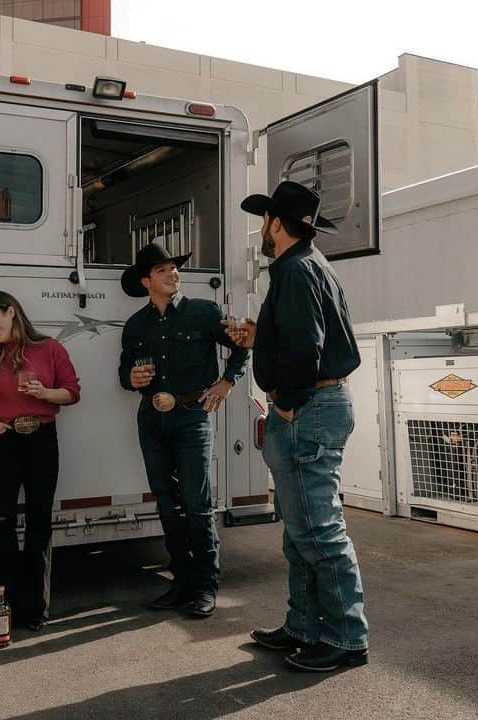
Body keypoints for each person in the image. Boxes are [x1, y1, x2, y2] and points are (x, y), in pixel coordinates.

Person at [230, 180, 369, 672]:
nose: (260, 229)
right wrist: (259, 335)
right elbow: (300, 336)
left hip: (308, 407)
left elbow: (306, 348)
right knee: (301, 530)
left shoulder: (294, 270)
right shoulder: (307, 266)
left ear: (277, 223)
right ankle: (305, 626)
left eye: (264, 219)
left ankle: (345, 637)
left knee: (319, 530)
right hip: (316, 402)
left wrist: (285, 403)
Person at [117, 243, 248, 618]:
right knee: (167, 504)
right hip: (151, 418)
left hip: (193, 417)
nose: (173, 273)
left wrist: (226, 382)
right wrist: (132, 377)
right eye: (162, 270)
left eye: (174, 268)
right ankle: (182, 583)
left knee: (197, 505)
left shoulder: (203, 312)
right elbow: (124, 374)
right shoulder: (135, 325)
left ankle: (206, 587)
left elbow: (241, 346)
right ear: (146, 281)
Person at [0, 291, 81, 631]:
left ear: (11, 312)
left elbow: (72, 391)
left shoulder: (50, 349)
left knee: (39, 522)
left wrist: (45, 394)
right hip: (2, 441)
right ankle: (2, 605)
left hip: (41, 440)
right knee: (2, 523)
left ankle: (35, 610)